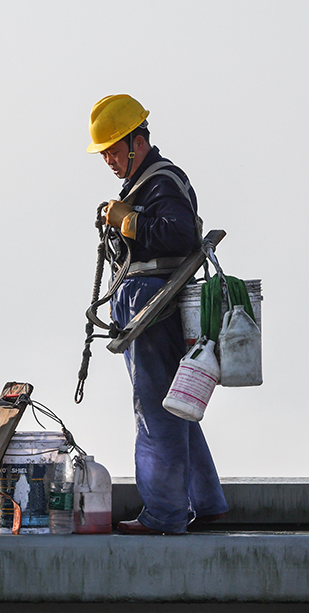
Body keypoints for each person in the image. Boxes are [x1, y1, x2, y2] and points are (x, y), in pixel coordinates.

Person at [87, 94, 228, 535]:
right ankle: (206, 502)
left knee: (154, 408)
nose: (109, 159)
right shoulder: (144, 183)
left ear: (137, 141)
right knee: (175, 403)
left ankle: (165, 513)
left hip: (153, 300)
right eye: (104, 151)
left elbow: (178, 234)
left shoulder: (160, 181)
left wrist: (128, 223)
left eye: (113, 148)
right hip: (151, 298)